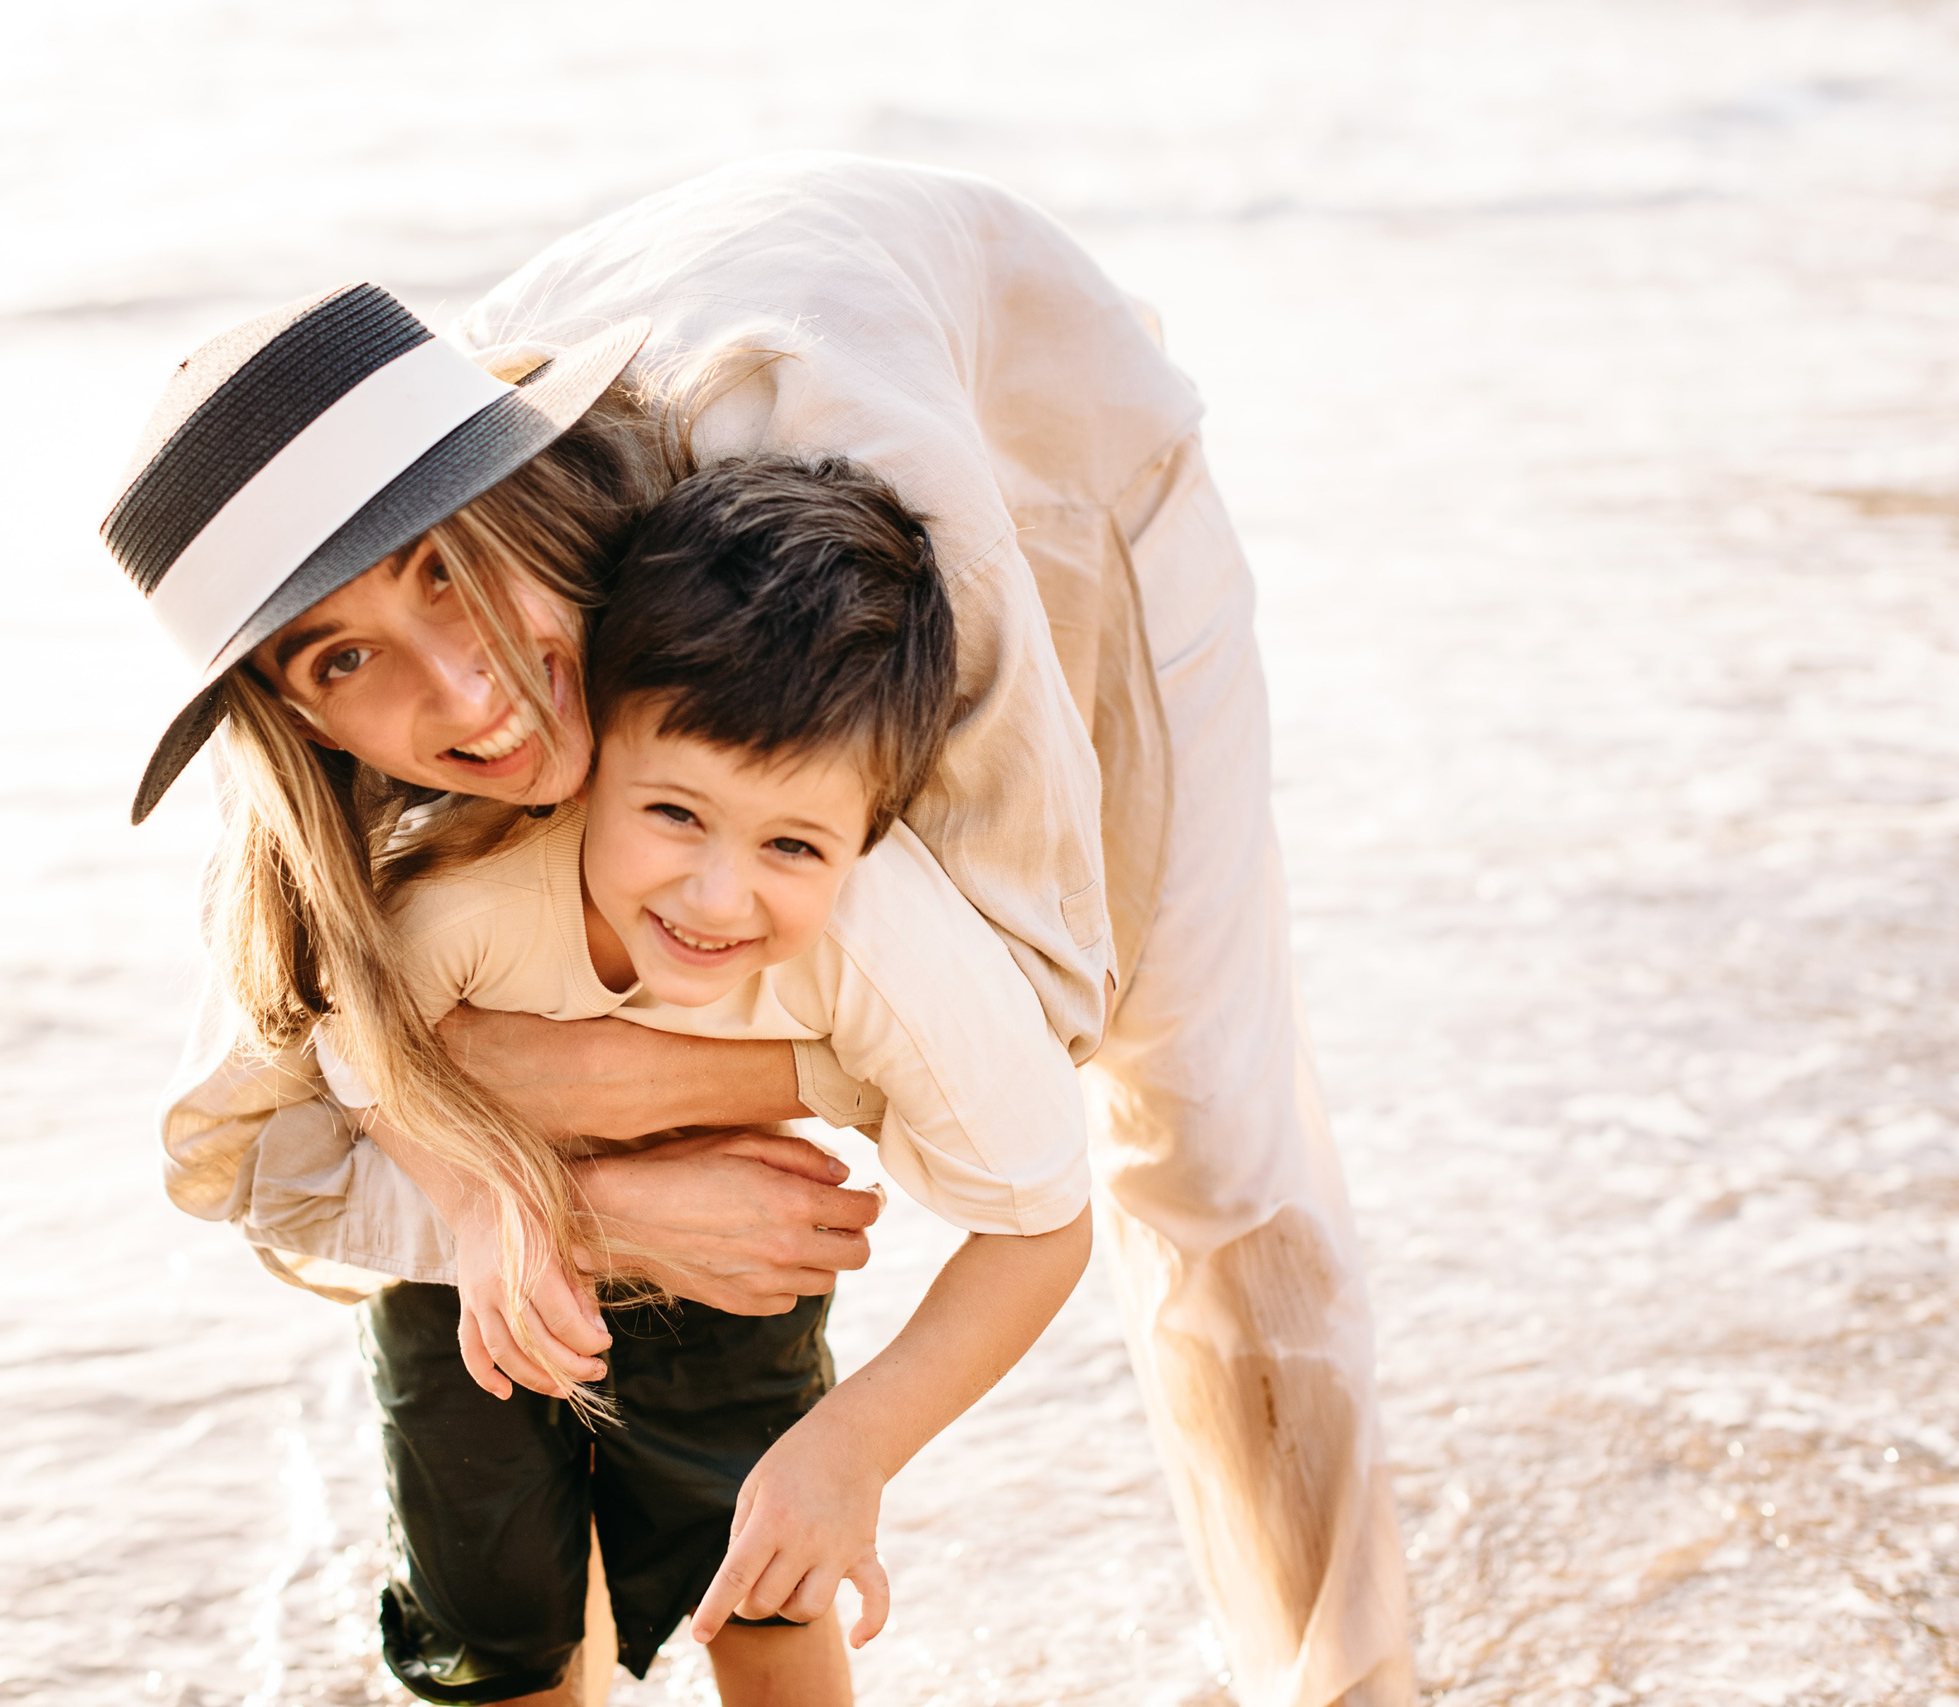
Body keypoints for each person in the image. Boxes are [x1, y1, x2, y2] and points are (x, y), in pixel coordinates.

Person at [108, 154, 1411, 1707]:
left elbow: (1038, 1006)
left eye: (447, 575)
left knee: (1194, 1136)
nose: (457, 697)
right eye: (342, 663)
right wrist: (584, 1212)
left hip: (1050, 466)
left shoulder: (832, 450)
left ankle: (1345, 1677)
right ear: (286, 712)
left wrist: (559, 1084)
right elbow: (259, 1158)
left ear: (502, 497)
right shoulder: (318, 667)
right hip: (560, 423)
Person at [311, 453, 1095, 1702]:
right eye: (672, 812)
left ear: (872, 838)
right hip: (462, 1283)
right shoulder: (459, 893)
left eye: (793, 843)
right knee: (485, 1626)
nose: (716, 898)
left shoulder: (887, 953)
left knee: (766, 1585)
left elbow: (1045, 1224)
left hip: (735, 1253)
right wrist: (482, 1206)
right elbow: (359, 1051)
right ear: (595, 749)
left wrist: (853, 1450)